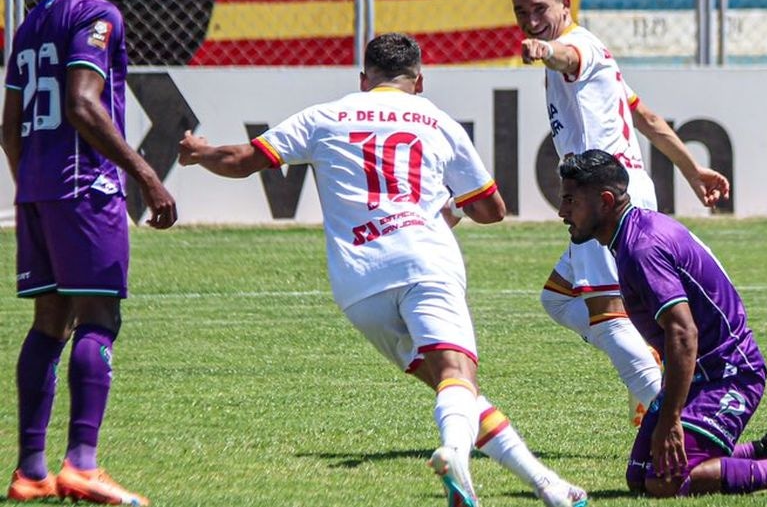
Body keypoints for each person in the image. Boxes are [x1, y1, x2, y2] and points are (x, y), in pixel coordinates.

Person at [177, 33, 588, 507]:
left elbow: (243, 161)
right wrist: (448, 209)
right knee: (458, 375)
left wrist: (200, 152)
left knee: (452, 390)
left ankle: (547, 486)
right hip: (423, 260)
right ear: (420, 80)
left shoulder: (325, 115)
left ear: (362, 79)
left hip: (359, 286)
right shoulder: (435, 119)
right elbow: (492, 208)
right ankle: (456, 454)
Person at [2, 0, 178, 506]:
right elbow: (82, 103)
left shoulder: (31, 21)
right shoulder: (98, 14)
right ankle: (81, 463)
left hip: (38, 189)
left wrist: (32, 186)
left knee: (49, 323)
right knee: (99, 318)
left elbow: (8, 126)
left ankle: (30, 471)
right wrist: (147, 174)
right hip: (86, 187)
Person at [555, 149, 767, 499]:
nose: (562, 212)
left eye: (570, 201)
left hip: (728, 374)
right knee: (639, 476)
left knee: (663, 482)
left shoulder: (642, 248)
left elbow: (683, 333)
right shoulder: (631, 234)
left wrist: (670, 419)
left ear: (605, 201)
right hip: (698, 373)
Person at [509, 0, 731, 427]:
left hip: (603, 200)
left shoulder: (577, 50)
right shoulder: (601, 52)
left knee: (607, 312)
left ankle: (673, 415)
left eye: (540, 9)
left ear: (566, 4)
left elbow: (564, 57)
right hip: (619, 192)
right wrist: (692, 171)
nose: (530, 21)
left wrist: (545, 50)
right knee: (558, 299)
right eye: (520, 12)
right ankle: (648, 357)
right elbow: (645, 116)